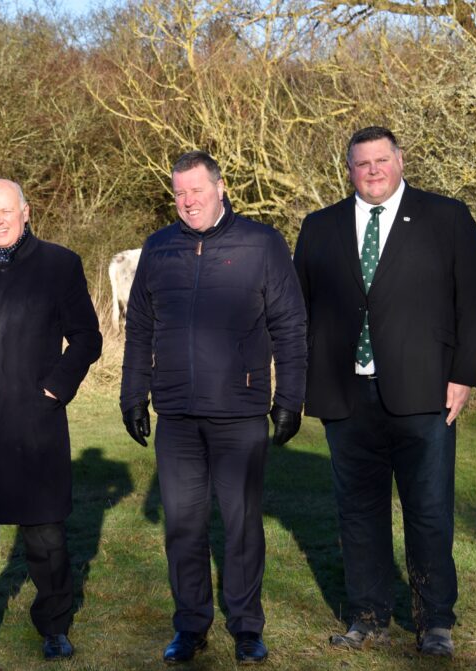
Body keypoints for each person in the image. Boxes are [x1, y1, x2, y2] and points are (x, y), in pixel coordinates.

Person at [293, 127, 476, 657]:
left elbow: (475, 298)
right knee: (358, 512)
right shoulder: (319, 228)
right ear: (349, 169)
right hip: (345, 394)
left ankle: (435, 622)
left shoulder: (446, 218)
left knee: (428, 511)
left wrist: (464, 375)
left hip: (425, 393)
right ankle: (367, 615)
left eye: (382, 160)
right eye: (363, 164)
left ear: (400, 161)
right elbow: (300, 311)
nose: (373, 171)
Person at [120, 151, 308, 664]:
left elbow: (290, 325)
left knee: (242, 522)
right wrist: (133, 393)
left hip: (240, 411)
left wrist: (289, 397)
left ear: (220, 188)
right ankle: (191, 625)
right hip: (176, 414)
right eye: (179, 193)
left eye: (197, 191)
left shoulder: (262, 244)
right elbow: (139, 328)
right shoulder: (157, 250)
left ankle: (247, 626)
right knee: (183, 524)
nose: (188, 202)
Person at [0, 179, 103, 662]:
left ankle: (53, 626)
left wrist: (55, 387)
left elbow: (88, 337)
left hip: (35, 419)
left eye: (6, 211)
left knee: (45, 533)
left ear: (25, 211)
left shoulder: (59, 264)